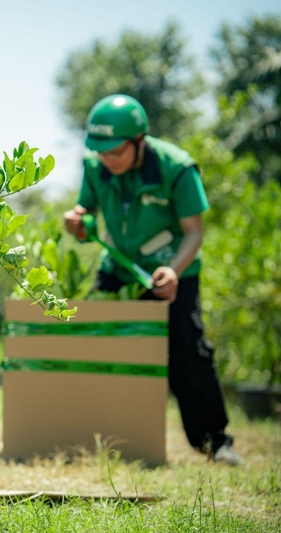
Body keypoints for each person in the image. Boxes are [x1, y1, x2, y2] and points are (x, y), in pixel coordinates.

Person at [63, 94, 242, 466]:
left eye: (115, 152)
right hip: (119, 267)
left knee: (187, 353)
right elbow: (86, 209)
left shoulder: (177, 168)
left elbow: (194, 231)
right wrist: (77, 220)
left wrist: (174, 270)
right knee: (96, 344)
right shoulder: (96, 167)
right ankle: (95, 436)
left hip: (172, 270)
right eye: (101, 152)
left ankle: (214, 442)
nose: (107, 160)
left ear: (139, 140)